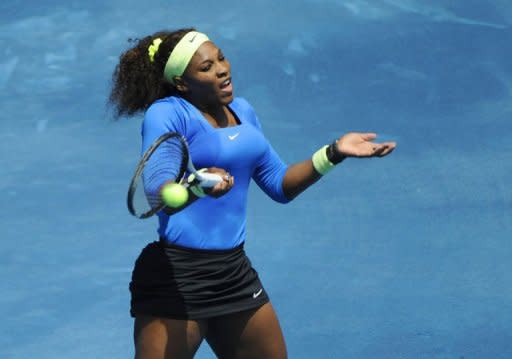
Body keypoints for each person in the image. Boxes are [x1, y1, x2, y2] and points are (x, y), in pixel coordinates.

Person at [109, 28, 396, 359]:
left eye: (221, 58)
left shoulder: (243, 111)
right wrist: (196, 185)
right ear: (182, 84)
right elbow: (159, 192)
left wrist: (333, 152)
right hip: (178, 279)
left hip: (233, 273)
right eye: (206, 67)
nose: (221, 69)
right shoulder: (169, 113)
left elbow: (279, 184)